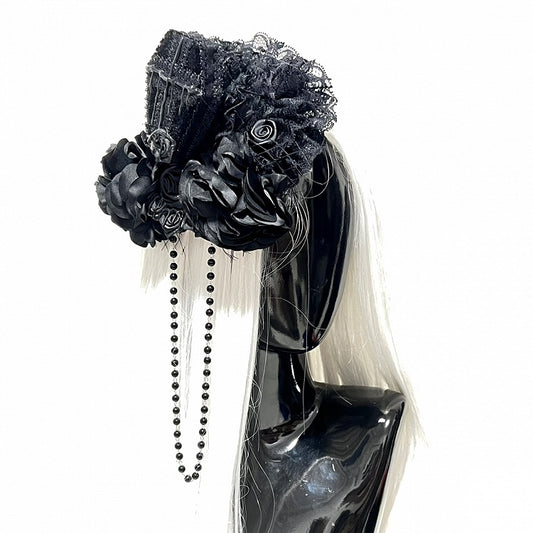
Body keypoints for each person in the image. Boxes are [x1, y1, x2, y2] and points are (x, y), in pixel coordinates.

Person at [96, 29, 417, 532]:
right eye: (290, 239)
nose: (320, 267)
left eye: (332, 230)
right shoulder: (138, 442)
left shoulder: (369, 430)